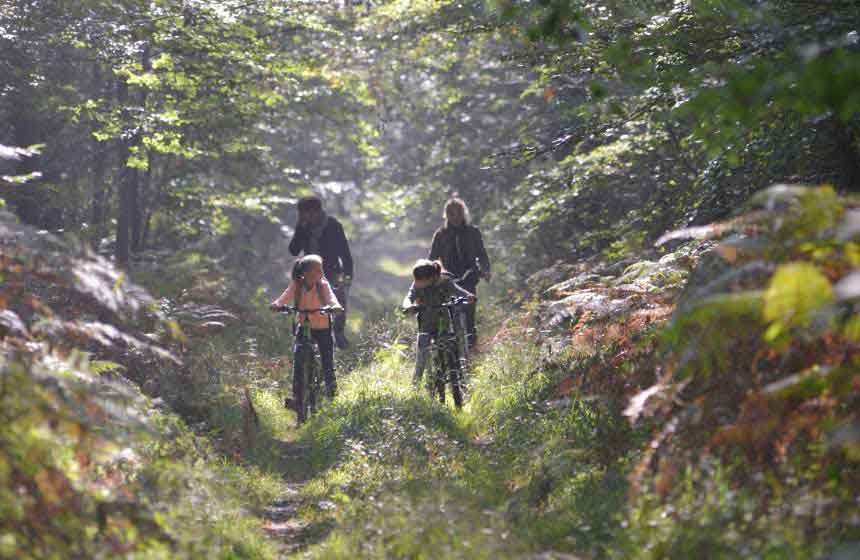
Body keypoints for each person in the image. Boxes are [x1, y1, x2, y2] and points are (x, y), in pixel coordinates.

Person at [270, 255, 343, 419]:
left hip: (323, 328)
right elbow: (285, 297)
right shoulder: (297, 285)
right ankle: (297, 399)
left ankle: (332, 396)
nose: (320, 272)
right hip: (304, 326)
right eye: (317, 270)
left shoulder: (322, 285)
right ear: (306, 272)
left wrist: (335, 306)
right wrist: (277, 305)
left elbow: (331, 298)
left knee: (327, 363)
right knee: (298, 360)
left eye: (320, 269)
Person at [289, 196, 353, 349]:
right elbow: (293, 250)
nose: (305, 217)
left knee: (338, 301)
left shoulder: (333, 226)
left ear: (317, 211)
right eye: (302, 214)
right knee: (302, 301)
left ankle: (338, 332)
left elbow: (345, 253)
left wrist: (348, 276)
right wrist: (299, 230)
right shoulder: (303, 227)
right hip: (309, 272)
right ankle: (301, 331)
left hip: (331, 271)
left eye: (308, 213)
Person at [402, 259, 475, 389]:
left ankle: (460, 377)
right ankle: (415, 386)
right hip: (425, 324)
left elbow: (457, 290)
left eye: (421, 280)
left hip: (443, 321)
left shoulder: (444, 281)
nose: (418, 283)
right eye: (417, 280)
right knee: (422, 356)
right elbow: (408, 297)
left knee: (453, 345)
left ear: (432, 277)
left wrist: (468, 296)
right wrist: (409, 306)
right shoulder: (417, 285)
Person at [428, 198, 491, 348]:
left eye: (458, 213)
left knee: (469, 316)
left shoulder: (473, 232)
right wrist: (431, 275)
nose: (455, 217)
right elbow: (432, 258)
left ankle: (472, 349)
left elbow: (482, 254)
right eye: (451, 214)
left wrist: (486, 270)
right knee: (446, 315)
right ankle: (447, 350)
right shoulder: (440, 234)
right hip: (448, 280)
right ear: (446, 215)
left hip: (469, 277)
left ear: (464, 214)